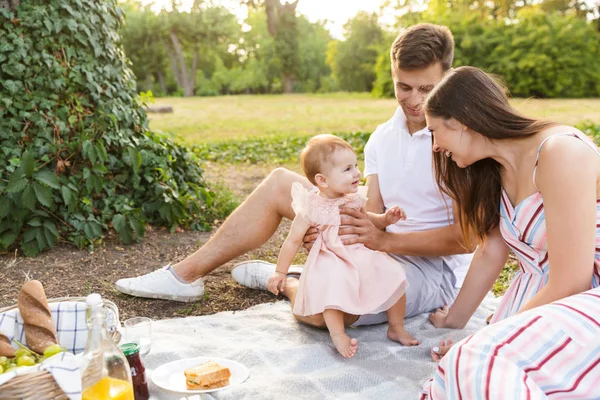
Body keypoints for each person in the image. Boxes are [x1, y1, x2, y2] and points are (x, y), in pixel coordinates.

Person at [115, 24, 474, 329]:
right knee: (278, 184)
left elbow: (466, 240)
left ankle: (287, 280)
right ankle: (184, 276)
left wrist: (382, 243)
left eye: (427, 89)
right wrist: (335, 224)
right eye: (403, 87)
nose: (413, 100)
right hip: (379, 249)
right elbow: (373, 216)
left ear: (447, 78)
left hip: (430, 271)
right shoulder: (383, 136)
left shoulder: (459, 138)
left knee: (325, 313)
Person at [420, 66, 600, 398]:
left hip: (584, 296)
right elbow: (490, 249)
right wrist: (455, 321)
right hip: (541, 297)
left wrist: (491, 336)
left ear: (461, 123)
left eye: (433, 131)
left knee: (476, 360)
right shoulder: (496, 170)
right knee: (464, 371)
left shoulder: (560, 152)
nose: (434, 145)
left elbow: (572, 279)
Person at [267, 134, 418, 358]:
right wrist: (280, 271)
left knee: (393, 273)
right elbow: (293, 240)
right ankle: (338, 334)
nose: (357, 173)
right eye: (347, 169)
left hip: (358, 252)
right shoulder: (311, 206)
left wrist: (385, 219)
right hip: (330, 259)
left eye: (356, 166)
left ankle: (396, 327)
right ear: (323, 180)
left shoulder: (352, 198)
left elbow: (367, 219)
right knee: (333, 285)